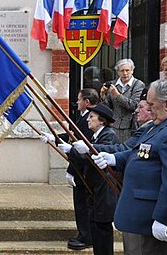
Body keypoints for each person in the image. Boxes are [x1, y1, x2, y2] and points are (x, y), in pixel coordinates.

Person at [93, 80, 167, 254]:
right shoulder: (156, 125)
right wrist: (114, 158)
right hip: (139, 215)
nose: (148, 109)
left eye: (151, 105)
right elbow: (138, 152)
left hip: (151, 218)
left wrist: (163, 217)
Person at [58, 103, 119, 255]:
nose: (88, 120)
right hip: (94, 188)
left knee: (102, 228)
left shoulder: (108, 135)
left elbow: (91, 157)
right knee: (95, 227)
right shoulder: (96, 135)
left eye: (92, 117)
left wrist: (72, 150)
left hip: (104, 189)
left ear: (102, 121)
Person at [41, 88, 98, 250]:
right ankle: (83, 234)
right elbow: (72, 135)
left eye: (79, 99)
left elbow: (80, 145)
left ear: (87, 101)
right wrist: (55, 138)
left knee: (83, 204)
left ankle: (87, 236)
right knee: (80, 203)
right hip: (78, 167)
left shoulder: (91, 119)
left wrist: (71, 170)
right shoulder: (82, 117)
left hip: (83, 170)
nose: (77, 102)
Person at [100, 59, 145, 142]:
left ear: (132, 70)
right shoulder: (113, 84)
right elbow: (108, 107)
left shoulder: (138, 84)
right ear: (118, 72)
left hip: (130, 126)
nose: (125, 73)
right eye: (122, 71)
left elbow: (134, 105)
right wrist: (103, 95)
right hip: (114, 125)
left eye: (127, 70)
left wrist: (118, 95)